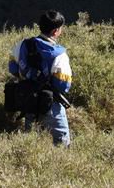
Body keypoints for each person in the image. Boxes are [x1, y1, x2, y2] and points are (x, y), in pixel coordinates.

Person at [8, 10, 72, 147]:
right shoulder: (59, 55)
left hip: (28, 100)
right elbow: (63, 85)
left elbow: (13, 68)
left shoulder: (22, 45)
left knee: (32, 143)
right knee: (61, 143)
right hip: (50, 103)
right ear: (56, 31)